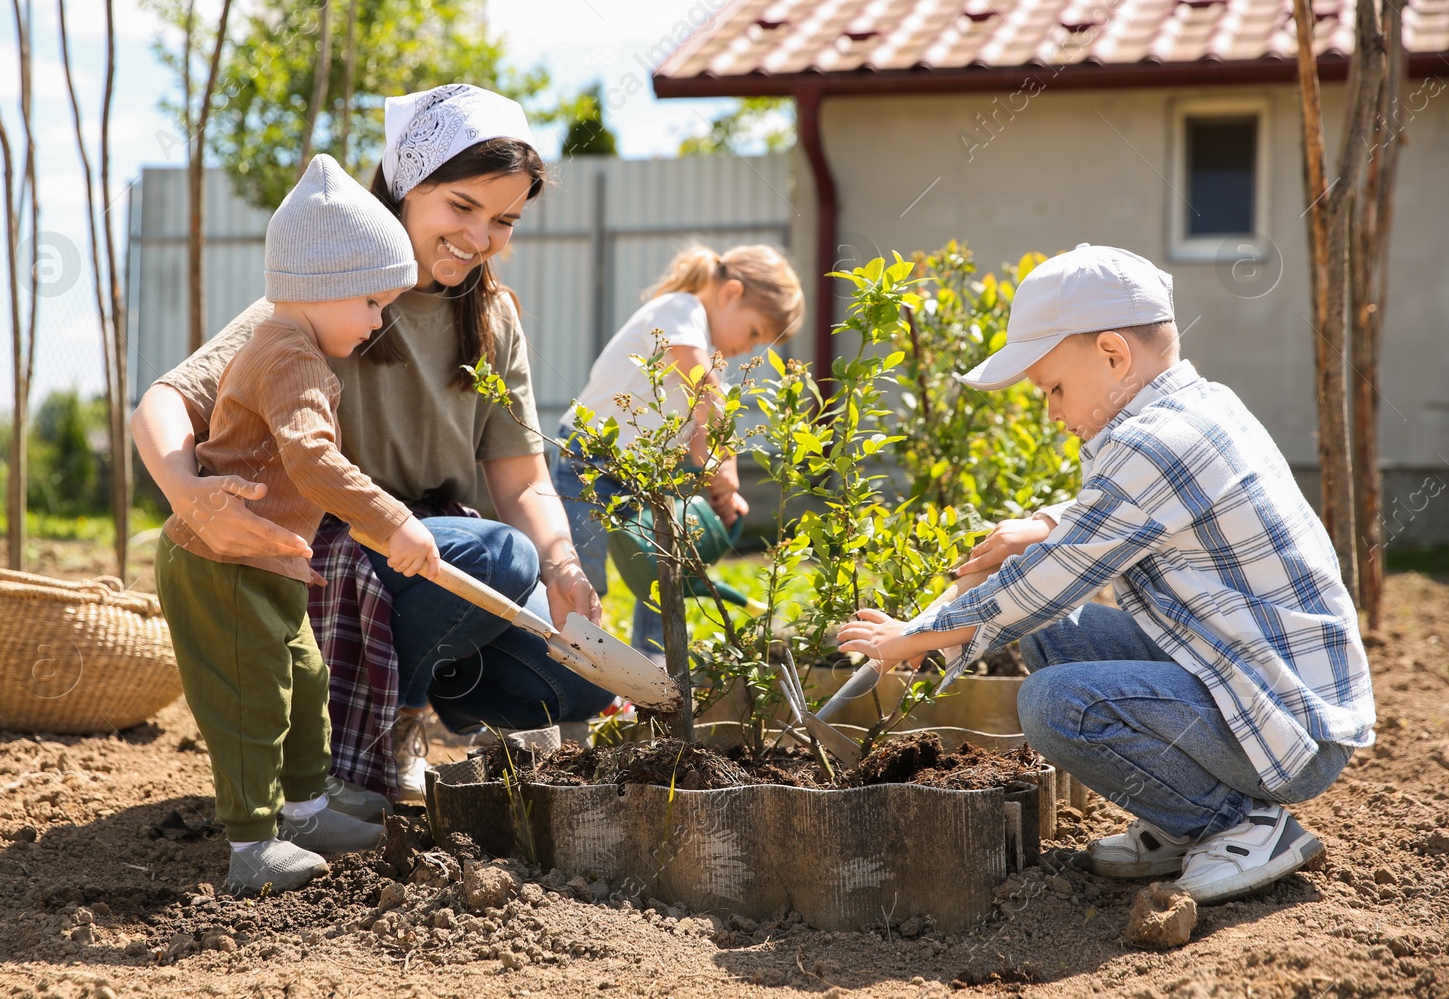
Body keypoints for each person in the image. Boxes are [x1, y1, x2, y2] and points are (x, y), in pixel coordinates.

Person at [838, 243, 1374, 906]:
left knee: (1054, 702)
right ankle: (1186, 814)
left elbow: (1047, 581)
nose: (1053, 412)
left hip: (1289, 721)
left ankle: (1236, 823)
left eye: (1054, 388)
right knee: (1059, 637)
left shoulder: (1152, 442)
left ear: (1114, 355)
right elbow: (1131, 509)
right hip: (1263, 682)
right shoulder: (1197, 409)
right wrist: (1044, 524)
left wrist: (917, 635)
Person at [134, 85, 612, 806]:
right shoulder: (329, 288)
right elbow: (167, 400)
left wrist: (565, 566)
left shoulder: (492, 317)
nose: (480, 238)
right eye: (462, 207)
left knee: (575, 677)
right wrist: (189, 494)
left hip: (438, 556)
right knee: (500, 554)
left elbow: (525, 481)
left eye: (504, 220)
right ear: (406, 185)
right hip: (331, 550)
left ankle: (406, 679)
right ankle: (387, 727)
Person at [153, 155, 437, 895]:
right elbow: (311, 461)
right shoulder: (291, 357)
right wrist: (392, 520)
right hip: (222, 562)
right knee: (253, 697)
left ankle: (307, 810)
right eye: (373, 303)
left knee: (303, 679)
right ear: (327, 286)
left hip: (268, 562)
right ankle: (252, 843)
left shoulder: (291, 345)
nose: (378, 323)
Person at [552, 244, 804, 658]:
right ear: (730, 294)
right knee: (583, 569)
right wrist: (724, 462)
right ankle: (580, 667)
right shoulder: (680, 310)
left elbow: (701, 424)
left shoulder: (710, 358)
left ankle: (654, 666)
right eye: (755, 332)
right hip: (589, 459)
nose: (751, 348)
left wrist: (722, 484)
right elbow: (705, 390)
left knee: (662, 567)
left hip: (645, 472)